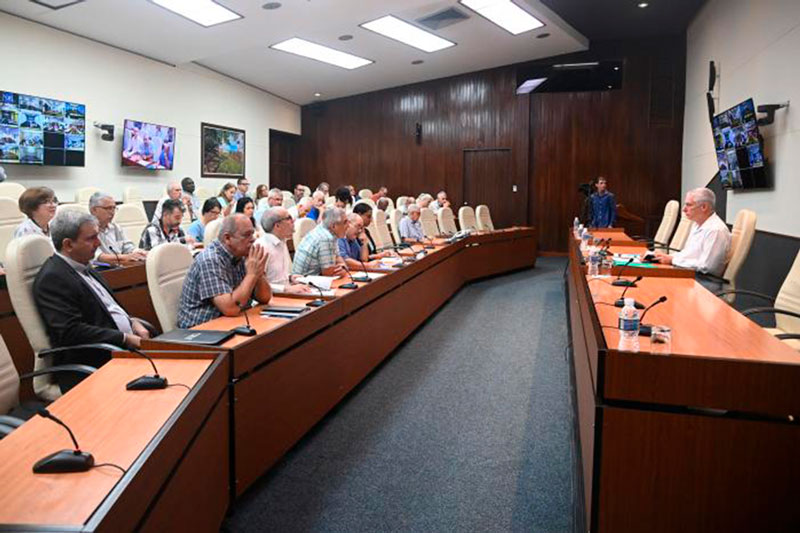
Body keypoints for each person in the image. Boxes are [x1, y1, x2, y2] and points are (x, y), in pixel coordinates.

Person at [33, 211, 151, 390]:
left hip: (123, 352)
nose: (98, 243)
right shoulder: (53, 278)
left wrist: (133, 322)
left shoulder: (85, 266)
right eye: (92, 238)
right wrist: (125, 338)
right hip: (95, 361)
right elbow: (71, 331)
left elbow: (110, 308)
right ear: (68, 244)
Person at [177, 214, 272, 328]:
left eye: (252, 233)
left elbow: (264, 298)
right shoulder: (210, 260)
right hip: (200, 330)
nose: (253, 239)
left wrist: (258, 273)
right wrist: (252, 275)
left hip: (229, 321)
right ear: (227, 238)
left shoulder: (242, 255)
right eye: (246, 235)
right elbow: (230, 309)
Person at [653, 188, 731, 292]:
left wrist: (672, 260)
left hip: (705, 282)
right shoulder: (697, 224)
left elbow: (706, 267)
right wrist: (667, 257)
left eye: (689, 205)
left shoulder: (715, 230)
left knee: (659, 286)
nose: (684, 209)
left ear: (704, 207)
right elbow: (688, 254)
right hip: (691, 275)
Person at [258, 207, 310, 294]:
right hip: (270, 299)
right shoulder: (261, 247)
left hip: (285, 295)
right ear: (277, 226)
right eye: (288, 218)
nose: (293, 220)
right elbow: (258, 286)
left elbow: (275, 277)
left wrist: (290, 278)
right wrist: (286, 289)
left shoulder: (282, 241)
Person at [89, 192, 147, 264]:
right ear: (94, 210)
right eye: (108, 208)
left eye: (114, 208)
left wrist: (140, 253)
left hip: (118, 266)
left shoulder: (116, 228)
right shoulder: (87, 231)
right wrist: (126, 257)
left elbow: (127, 247)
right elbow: (98, 257)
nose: (112, 212)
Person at [292, 207, 347, 277]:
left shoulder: (327, 231)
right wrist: (343, 270)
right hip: (303, 282)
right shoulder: (326, 238)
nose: (348, 225)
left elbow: (338, 257)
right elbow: (328, 273)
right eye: (345, 222)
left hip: (315, 278)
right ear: (333, 226)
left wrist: (344, 268)